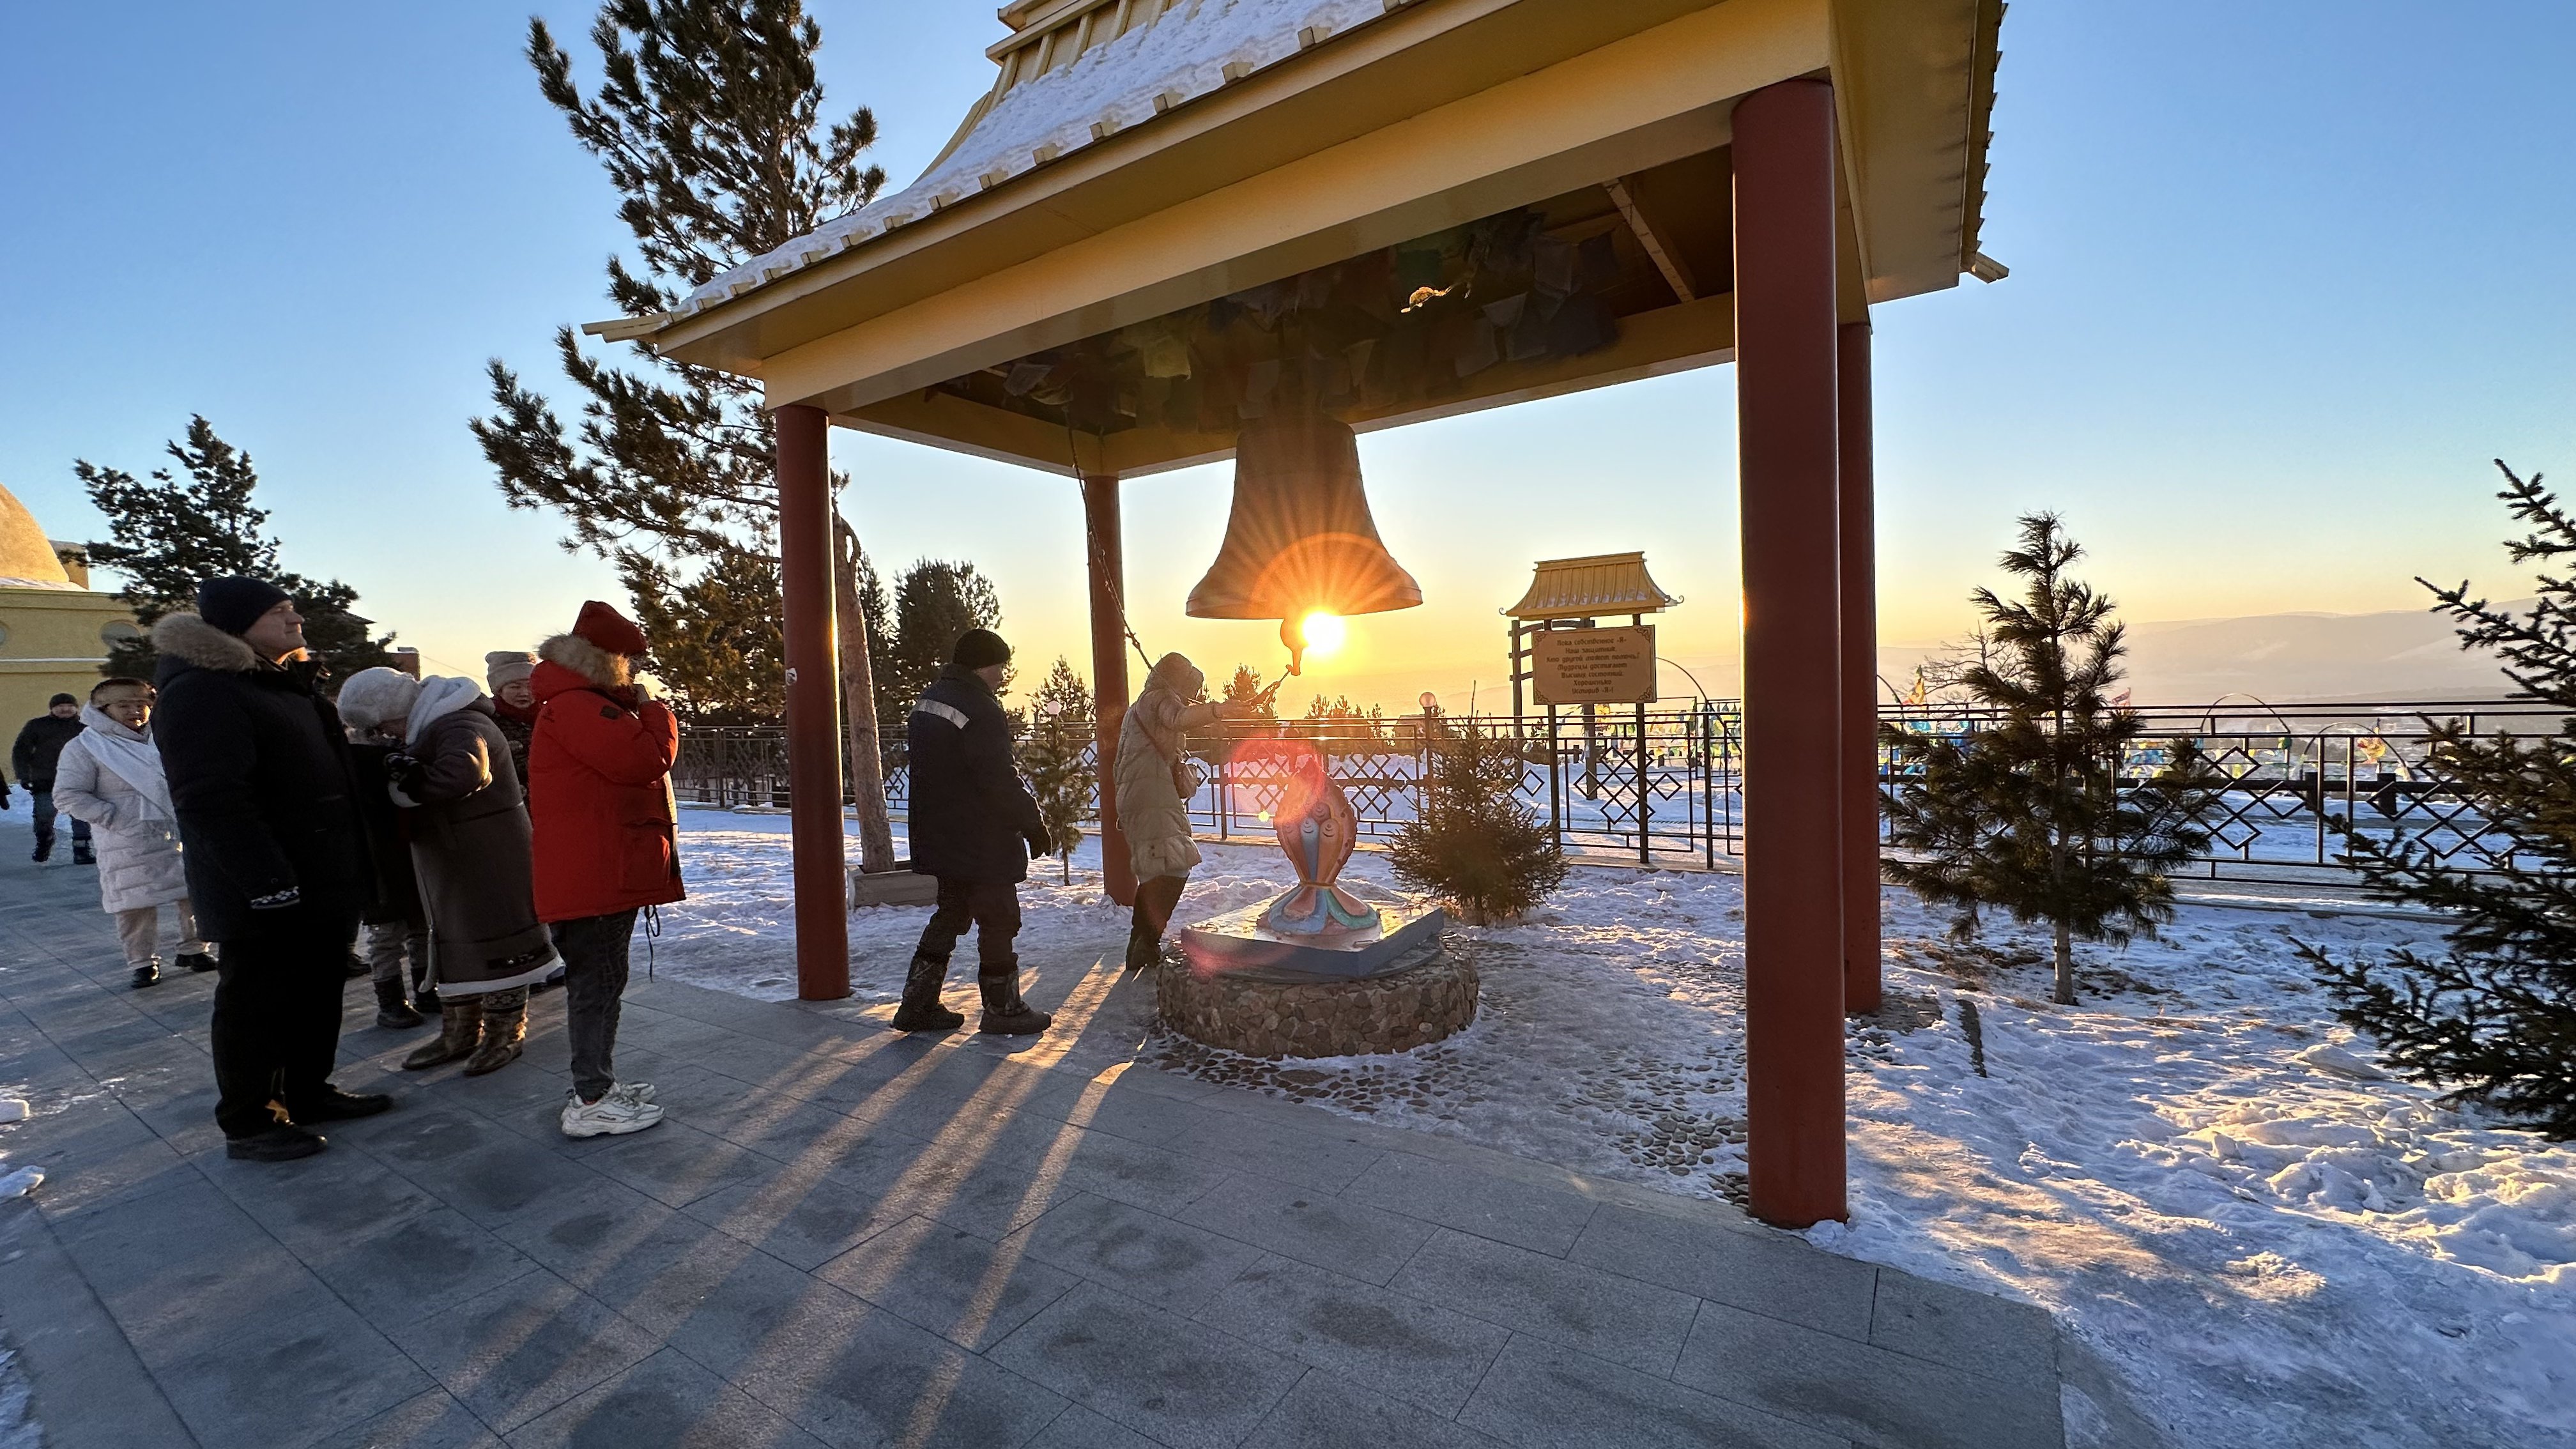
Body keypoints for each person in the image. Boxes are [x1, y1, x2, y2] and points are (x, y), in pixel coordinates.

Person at [153, 578, 386, 1162]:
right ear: (238, 626)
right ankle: (251, 1120)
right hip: (266, 885)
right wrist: (266, 881)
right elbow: (211, 797)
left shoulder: (282, 685)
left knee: (316, 991)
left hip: (321, 875)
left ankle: (309, 1091)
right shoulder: (207, 691)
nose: (296, 619)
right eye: (280, 612)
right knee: (257, 1001)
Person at [529, 601, 679, 1137]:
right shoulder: (577, 707)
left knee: (605, 980)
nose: (638, 673)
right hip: (591, 876)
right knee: (596, 985)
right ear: (607, 659)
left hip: (598, 871)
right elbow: (642, 761)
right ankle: (591, 1099)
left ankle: (598, 1083)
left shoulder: (581, 704)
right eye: (632, 662)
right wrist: (658, 712)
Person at [377, 673, 558, 1076]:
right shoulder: (436, 722)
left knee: (500, 940)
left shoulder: (460, 723)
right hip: (460, 854)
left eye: (384, 723)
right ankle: (459, 1031)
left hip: (489, 853)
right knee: (458, 941)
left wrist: (408, 783)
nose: (384, 733)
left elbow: (463, 774)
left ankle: (504, 1033)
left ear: (396, 711)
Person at [896, 628, 1053, 1036]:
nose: (1003, 675)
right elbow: (999, 777)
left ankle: (917, 1003)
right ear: (984, 664)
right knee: (998, 918)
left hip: (940, 834)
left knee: (951, 913)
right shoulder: (979, 707)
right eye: (1000, 666)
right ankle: (1003, 1010)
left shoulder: (929, 702)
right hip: (980, 838)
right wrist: (1032, 823)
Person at [50, 677, 210, 988]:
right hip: (127, 838)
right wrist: (115, 818)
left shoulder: (164, 738)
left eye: (141, 705)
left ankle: (195, 949)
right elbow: (68, 795)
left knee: (193, 894)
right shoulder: (85, 746)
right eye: (124, 706)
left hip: (177, 830)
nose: (135, 712)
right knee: (134, 904)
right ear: (103, 709)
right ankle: (142, 962)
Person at [1116, 653, 1266, 972]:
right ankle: (1145, 941)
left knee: (1160, 869)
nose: (1191, 696)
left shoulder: (1141, 706)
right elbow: (1179, 718)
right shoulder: (1158, 699)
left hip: (1145, 793)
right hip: (1149, 795)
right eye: (1190, 687)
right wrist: (1217, 711)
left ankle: (1143, 943)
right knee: (1174, 867)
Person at [335, 669, 433, 1030]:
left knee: (422, 926)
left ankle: (426, 988)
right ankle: (390, 1000)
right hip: (377, 858)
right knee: (388, 933)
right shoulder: (352, 761)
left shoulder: (402, 748)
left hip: (407, 852)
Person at [13, 693, 94, 864]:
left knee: (81, 816)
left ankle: (82, 850)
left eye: (69, 706)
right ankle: (44, 842)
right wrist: (24, 775)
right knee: (44, 817)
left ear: (76, 708)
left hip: (79, 780)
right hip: (45, 780)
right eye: (60, 706)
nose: (65, 709)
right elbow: (21, 751)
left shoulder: (87, 727)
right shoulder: (37, 726)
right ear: (52, 709)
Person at [485, 650, 538, 787]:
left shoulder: (550, 716)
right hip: (505, 801)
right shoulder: (486, 719)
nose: (524, 693)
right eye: (515, 687)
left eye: (530, 686)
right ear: (500, 690)